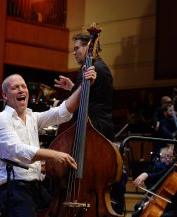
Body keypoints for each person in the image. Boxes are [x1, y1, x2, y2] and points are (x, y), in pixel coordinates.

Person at [0, 71, 96, 217]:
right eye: (15, 87)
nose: (21, 90)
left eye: (23, 86)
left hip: (36, 188)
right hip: (16, 190)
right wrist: (53, 154)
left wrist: (84, 85)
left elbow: (63, 111)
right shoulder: (2, 118)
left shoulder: (32, 117)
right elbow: (17, 149)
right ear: (5, 95)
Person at [54, 32, 124, 213]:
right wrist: (73, 88)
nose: (74, 52)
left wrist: (60, 106)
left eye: (77, 48)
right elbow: (93, 96)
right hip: (99, 127)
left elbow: (83, 103)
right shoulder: (99, 67)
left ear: (89, 47)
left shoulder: (92, 68)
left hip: (93, 129)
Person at [132, 146, 177, 217]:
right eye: (167, 156)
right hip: (165, 201)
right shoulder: (172, 165)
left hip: (176, 204)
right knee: (138, 211)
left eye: (170, 157)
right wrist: (146, 175)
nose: (167, 160)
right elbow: (158, 176)